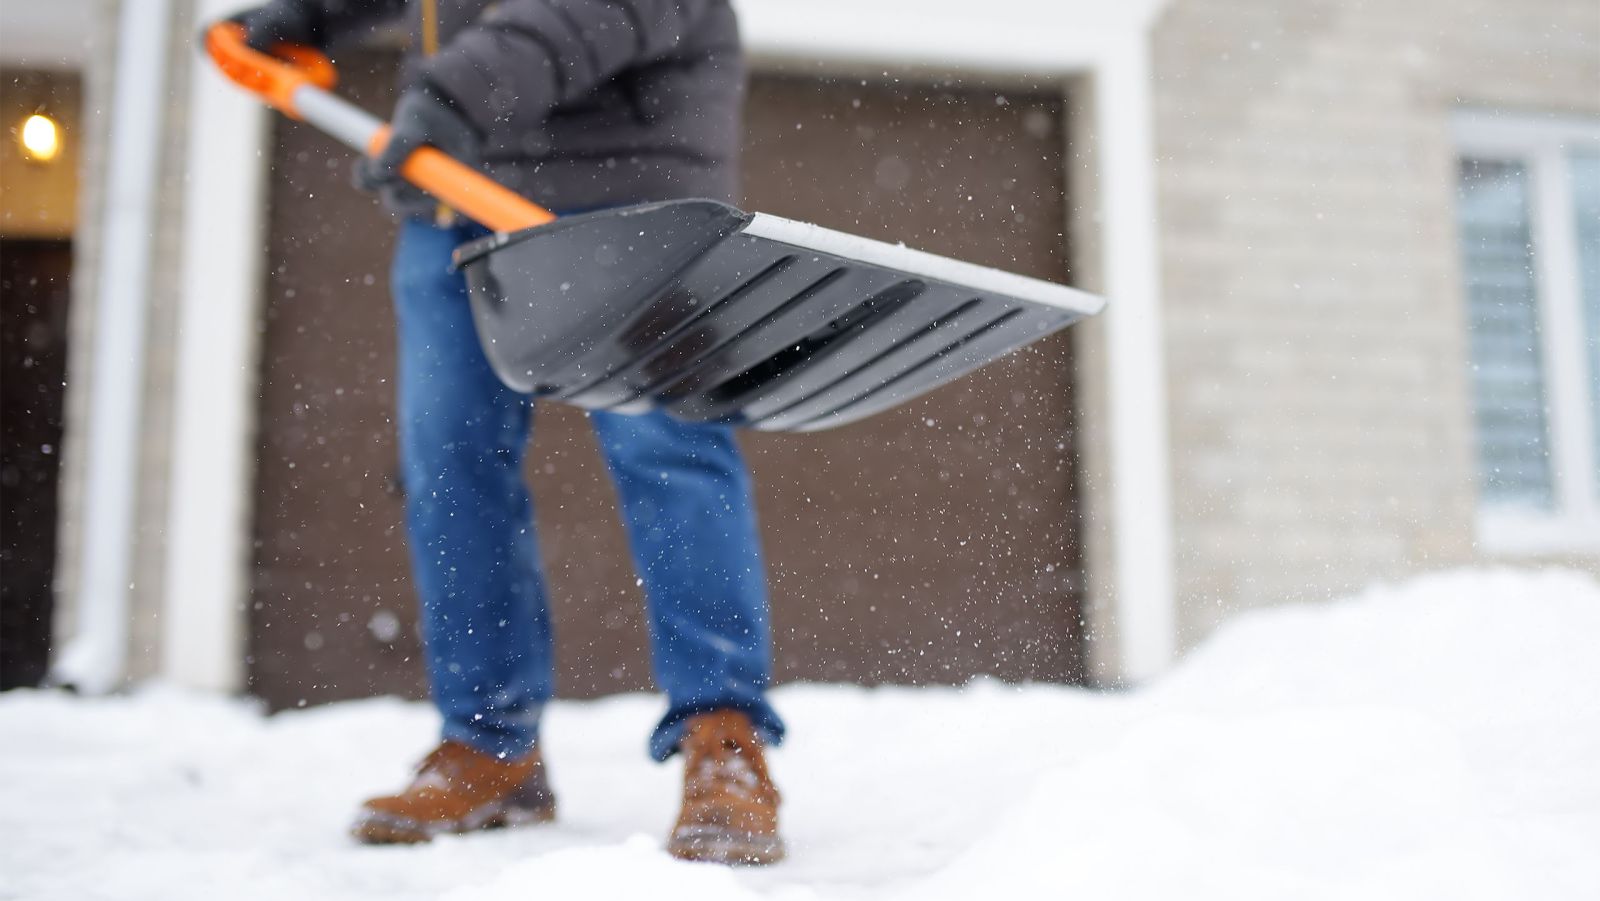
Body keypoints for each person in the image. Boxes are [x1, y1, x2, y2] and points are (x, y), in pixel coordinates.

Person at [225, 0, 785, 865]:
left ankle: (724, 736)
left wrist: (454, 91)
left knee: (666, 450)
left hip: (631, 182)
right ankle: (491, 744)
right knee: (448, 459)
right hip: (461, 185)